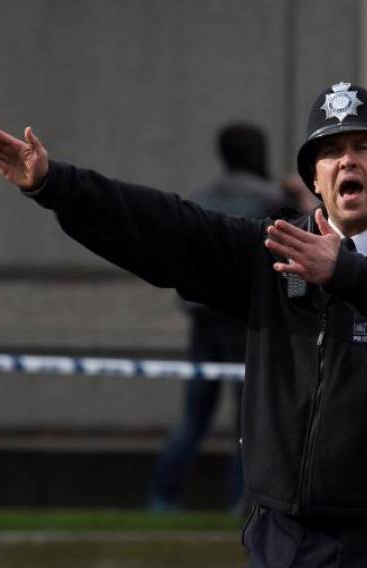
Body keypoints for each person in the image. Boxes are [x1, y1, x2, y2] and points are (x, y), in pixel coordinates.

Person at [0, 81, 367, 568]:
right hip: (288, 545)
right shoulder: (271, 255)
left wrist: (346, 273)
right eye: (330, 152)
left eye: (362, 147)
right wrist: (56, 185)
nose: (346, 160)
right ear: (314, 179)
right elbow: (168, 228)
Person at [148, 123, 282, 513]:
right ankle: (241, 504)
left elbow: (180, 260)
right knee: (248, 422)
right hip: (246, 323)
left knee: (194, 418)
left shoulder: (198, 198)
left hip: (204, 321)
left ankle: (162, 498)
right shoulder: (272, 200)